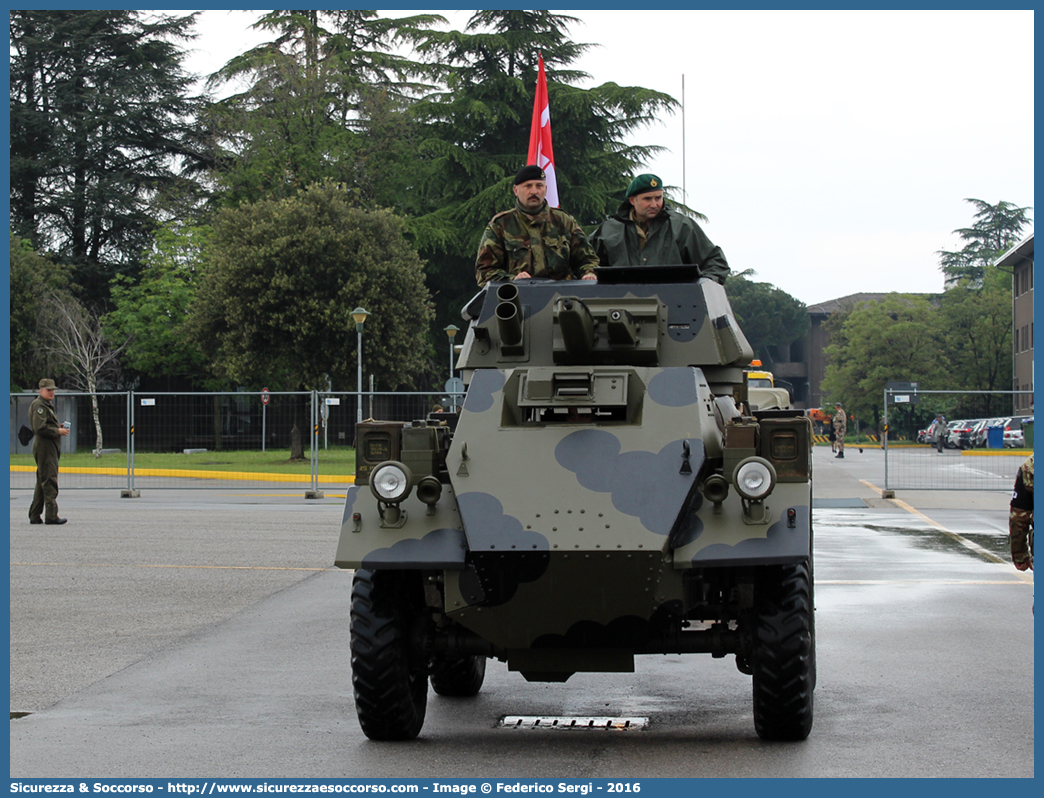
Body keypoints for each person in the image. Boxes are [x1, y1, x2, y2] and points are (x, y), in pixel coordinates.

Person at [589, 173, 730, 284]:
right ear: (633, 200)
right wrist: (588, 273)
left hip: (674, 306)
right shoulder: (609, 230)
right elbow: (584, 259)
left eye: (658, 198)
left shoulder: (681, 226)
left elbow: (715, 262)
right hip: (620, 308)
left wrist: (702, 286)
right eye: (647, 199)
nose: (654, 204)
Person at [475, 165, 599, 287]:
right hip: (519, 300)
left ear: (545, 189)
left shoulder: (563, 221)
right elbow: (485, 272)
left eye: (539, 186)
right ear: (516, 190)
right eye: (528, 186)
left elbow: (587, 259)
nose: (534, 191)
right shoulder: (501, 225)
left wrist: (589, 273)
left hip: (562, 299)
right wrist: (513, 280)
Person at [28, 378, 70, 525]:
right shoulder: (39, 405)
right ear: (41, 391)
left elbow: (46, 424)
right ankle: (51, 515)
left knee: (42, 480)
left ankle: (34, 515)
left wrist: (59, 426)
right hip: (45, 447)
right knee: (50, 479)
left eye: (53, 390)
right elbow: (40, 428)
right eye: (49, 390)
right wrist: (57, 430)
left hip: (49, 446)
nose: (52, 392)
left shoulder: (46, 405)